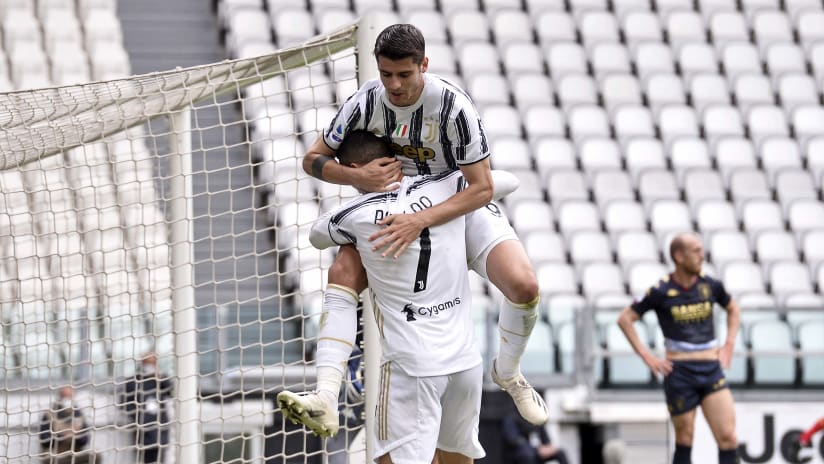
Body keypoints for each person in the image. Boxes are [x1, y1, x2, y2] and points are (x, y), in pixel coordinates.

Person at [294, 22, 547, 434]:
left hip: (454, 204)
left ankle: (508, 371)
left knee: (524, 286)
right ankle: (325, 394)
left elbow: (482, 188)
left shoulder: (453, 107)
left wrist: (420, 219)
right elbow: (312, 160)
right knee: (341, 272)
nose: (394, 85)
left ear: (423, 65)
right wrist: (356, 178)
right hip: (391, 206)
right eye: (386, 74)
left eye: (404, 75)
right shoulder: (365, 102)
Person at [281, 129, 494, 463]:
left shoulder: (356, 214)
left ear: (354, 167)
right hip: (465, 362)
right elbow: (501, 182)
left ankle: (326, 391)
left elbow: (316, 235)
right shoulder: (446, 186)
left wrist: (354, 185)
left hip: (413, 365)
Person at [616, 232, 742, 464]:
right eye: (696, 251)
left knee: (728, 436)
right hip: (680, 373)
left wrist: (729, 343)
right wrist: (647, 356)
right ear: (679, 256)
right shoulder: (661, 290)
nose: (702, 256)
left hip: (711, 369)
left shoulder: (710, 285)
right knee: (685, 437)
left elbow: (734, 309)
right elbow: (625, 319)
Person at [120, 353, 174, 464]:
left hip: (160, 430)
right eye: (147, 362)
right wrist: (139, 417)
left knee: (160, 459)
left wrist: (160, 378)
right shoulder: (133, 382)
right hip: (143, 431)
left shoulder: (160, 380)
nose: (150, 365)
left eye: (153, 363)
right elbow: (124, 404)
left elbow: (172, 392)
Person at [39, 386, 98, 464]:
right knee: (49, 460)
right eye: (64, 396)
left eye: (70, 396)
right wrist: (61, 436)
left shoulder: (78, 414)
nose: (67, 399)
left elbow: (86, 440)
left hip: (75, 452)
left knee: (95, 456)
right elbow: (44, 441)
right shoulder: (49, 414)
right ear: (60, 397)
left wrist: (76, 436)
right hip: (56, 453)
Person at [501, 412, 569, 464]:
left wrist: (548, 447)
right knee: (528, 454)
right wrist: (536, 449)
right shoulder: (512, 417)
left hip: (537, 451)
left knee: (560, 453)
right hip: (519, 453)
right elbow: (513, 439)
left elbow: (545, 438)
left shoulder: (536, 417)